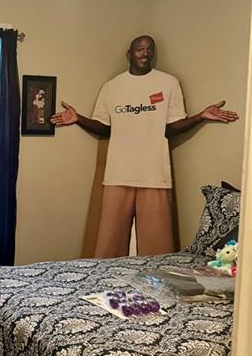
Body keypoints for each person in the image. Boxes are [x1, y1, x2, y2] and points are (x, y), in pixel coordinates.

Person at [51, 35, 239, 258]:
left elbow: (170, 128)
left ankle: (155, 290)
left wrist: (200, 117)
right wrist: (79, 119)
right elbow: (104, 128)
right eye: (140, 49)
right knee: (109, 246)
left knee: (157, 250)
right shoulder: (112, 87)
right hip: (117, 175)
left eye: (150, 49)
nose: (145, 53)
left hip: (155, 174)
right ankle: (105, 286)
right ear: (129, 55)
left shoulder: (168, 83)